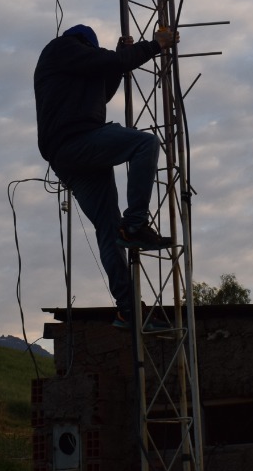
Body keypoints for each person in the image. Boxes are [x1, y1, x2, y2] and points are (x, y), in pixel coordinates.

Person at [34, 23, 177, 328]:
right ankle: (135, 224)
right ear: (84, 44)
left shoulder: (75, 69)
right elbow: (106, 62)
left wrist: (122, 56)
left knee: (108, 230)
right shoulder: (61, 48)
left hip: (73, 154)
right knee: (145, 144)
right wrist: (154, 46)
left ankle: (127, 309)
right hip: (75, 143)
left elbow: (105, 88)